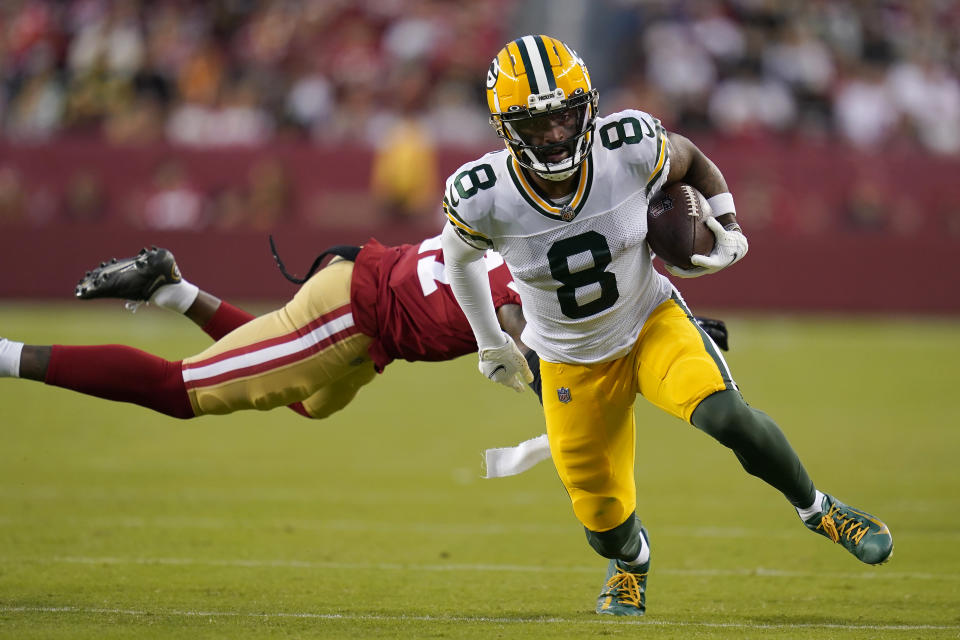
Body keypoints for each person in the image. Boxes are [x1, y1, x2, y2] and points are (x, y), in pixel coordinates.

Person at [439, 35, 893, 617]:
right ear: (505, 128)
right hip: (566, 357)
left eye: (564, 116)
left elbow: (692, 160)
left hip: (649, 319)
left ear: (589, 107)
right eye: (536, 124)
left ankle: (821, 509)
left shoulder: (627, 145)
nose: (554, 135)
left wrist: (727, 222)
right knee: (602, 521)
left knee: (726, 415)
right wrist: (490, 343)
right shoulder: (484, 194)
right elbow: (459, 258)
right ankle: (630, 561)